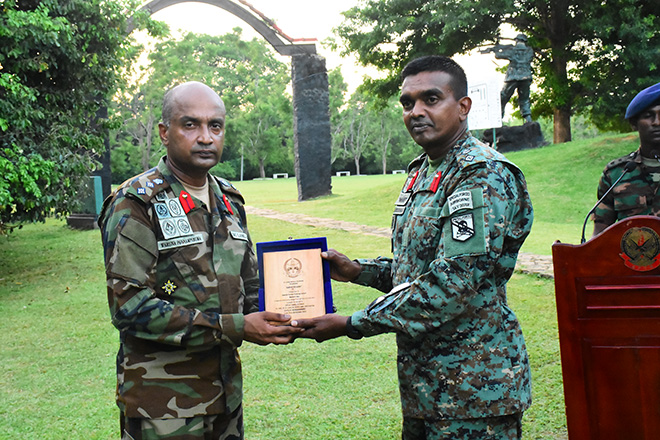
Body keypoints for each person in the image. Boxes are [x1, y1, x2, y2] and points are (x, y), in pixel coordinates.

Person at [293, 56, 533, 439]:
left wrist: (353, 323)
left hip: (474, 390)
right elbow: (418, 270)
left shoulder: (480, 173)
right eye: (407, 103)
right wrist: (359, 271)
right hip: (425, 386)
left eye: (431, 99)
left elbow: (452, 283)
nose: (416, 112)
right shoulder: (423, 170)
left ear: (463, 107)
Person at [98, 81, 302, 440]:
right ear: (164, 132)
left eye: (215, 126)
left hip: (225, 396)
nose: (206, 137)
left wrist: (294, 310)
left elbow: (249, 284)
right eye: (190, 125)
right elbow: (129, 307)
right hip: (162, 408)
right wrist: (235, 327)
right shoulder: (136, 203)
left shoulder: (229, 199)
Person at [592, 82, 660, 237]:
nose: (657, 122)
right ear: (634, 124)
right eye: (648, 116)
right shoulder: (617, 174)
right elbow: (599, 233)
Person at [481, 34, 534, 123]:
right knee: (524, 100)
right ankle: (529, 121)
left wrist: (495, 50)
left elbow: (499, 55)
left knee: (503, 98)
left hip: (512, 77)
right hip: (526, 77)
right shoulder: (530, 51)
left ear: (517, 40)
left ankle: (498, 120)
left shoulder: (512, 50)